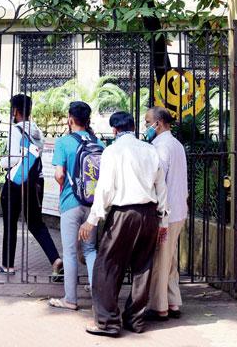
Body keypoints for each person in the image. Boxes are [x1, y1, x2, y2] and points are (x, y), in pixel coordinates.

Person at [78, 110, 169, 337]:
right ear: (133, 127)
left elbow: (105, 189)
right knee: (142, 267)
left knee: (106, 266)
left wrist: (92, 220)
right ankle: (135, 320)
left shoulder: (112, 151)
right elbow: (161, 187)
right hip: (149, 214)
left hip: (123, 214)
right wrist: (163, 220)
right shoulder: (150, 150)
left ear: (115, 130)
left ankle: (108, 322)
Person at [0, 94, 63, 276]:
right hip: (36, 182)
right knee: (36, 223)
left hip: (16, 183)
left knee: (10, 222)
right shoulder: (37, 131)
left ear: (15, 111)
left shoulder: (16, 130)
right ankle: (55, 259)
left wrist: (1, 163)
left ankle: (7, 265)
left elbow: (13, 158)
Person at [47, 100, 101, 311]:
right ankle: (98, 296)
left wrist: (65, 185)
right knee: (90, 250)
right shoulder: (99, 143)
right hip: (93, 204)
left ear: (70, 119)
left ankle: (70, 299)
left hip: (70, 202)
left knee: (69, 252)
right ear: (87, 120)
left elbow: (59, 174)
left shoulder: (63, 142)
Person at [144, 107, 189, 321]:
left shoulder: (160, 146)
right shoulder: (177, 145)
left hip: (166, 213)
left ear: (158, 124)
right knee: (169, 259)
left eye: (147, 122)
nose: (146, 127)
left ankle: (160, 307)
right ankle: (174, 302)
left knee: (161, 261)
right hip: (179, 210)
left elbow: (158, 179)